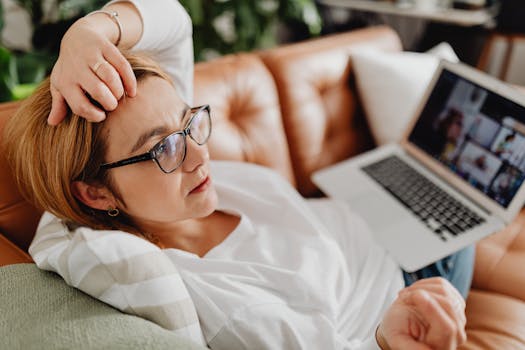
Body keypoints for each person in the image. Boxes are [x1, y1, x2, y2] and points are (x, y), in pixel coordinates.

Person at [3, 1, 472, 349]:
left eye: (189, 122)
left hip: (377, 222)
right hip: (410, 285)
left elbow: (173, 22)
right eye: (162, 147)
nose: (197, 155)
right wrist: (386, 339)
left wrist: (85, 33)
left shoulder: (176, 187)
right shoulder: (214, 298)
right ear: (96, 194)